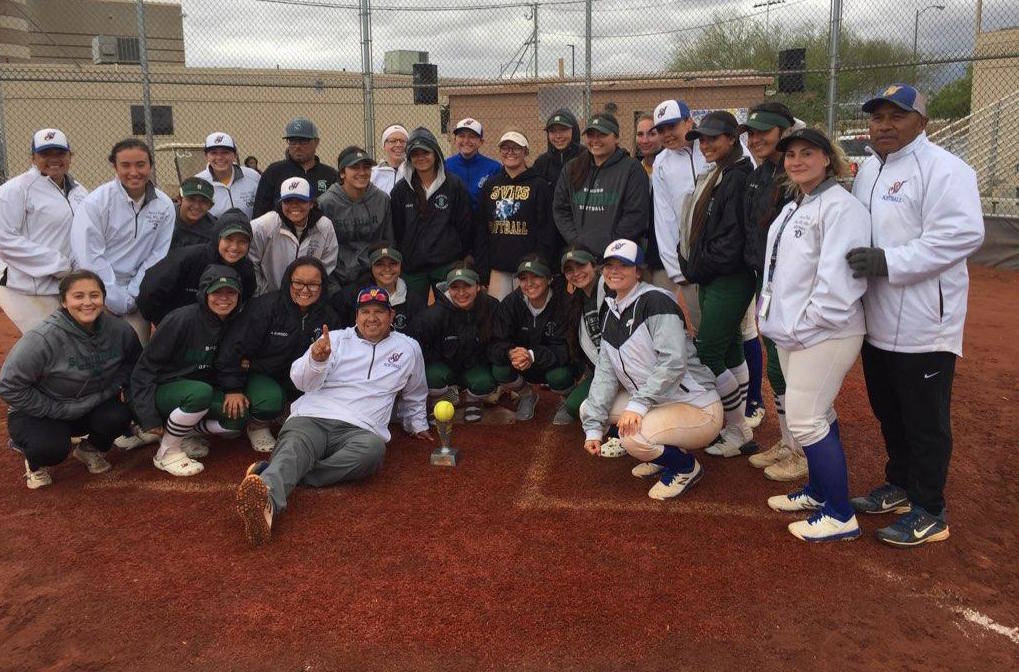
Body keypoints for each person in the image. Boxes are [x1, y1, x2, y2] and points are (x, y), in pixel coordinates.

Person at [847, 84, 984, 547]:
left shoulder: (946, 169)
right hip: (878, 319)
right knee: (889, 411)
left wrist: (890, 261)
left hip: (927, 322)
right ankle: (900, 486)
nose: (884, 125)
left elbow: (962, 234)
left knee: (926, 422)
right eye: (877, 117)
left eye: (896, 116)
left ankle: (930, 509)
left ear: (922, 122)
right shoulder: (868, 169)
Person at [234, 285, 431, 546]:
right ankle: (266, 503)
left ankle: (274, 473)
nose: (372, 318)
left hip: (362, 430)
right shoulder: (333, 339)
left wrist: (417, 424)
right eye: (365, 312)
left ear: (391, 316)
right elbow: (300, 381)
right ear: (356, 315)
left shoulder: (409, 348)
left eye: (379, 312)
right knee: (294, 447)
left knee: (372, 454)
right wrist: (316, 360)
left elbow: (416, 391)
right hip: (313, 416)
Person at [757, 128, 871, 542]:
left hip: (826, 332)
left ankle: (841, 515)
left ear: (828, 158)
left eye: (808, 153)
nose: (797, 160)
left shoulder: (842, 208)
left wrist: (806, 326)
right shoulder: (796, 205)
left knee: (805, 420)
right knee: (818, 414)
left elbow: (840, 282)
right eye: (790, 155)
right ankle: (820, 492)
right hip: (794, 331)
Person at [580, 239, 723, 500]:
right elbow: (605, 374)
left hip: (697, 406)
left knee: (632, 438)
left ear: (637, 271)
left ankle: (685, 467)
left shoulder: (656, 301)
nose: (614, 271)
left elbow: (674, 362)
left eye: (623, 265)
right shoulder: (612, 311)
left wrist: (639, 405)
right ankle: (664, 453)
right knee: (588, 408)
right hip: (660, 402)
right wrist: (594, 428)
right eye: (609, 265)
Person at [131, 265, 281, 476]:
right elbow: (145, 369)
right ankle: (166, 452)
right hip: (165, 389)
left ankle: (183, 432)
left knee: (236, 418)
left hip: (202, 390)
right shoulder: (181, 320)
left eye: (231, 292)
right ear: (204, 293)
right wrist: (148, 416)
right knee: (199, 393)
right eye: (216, 292)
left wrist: (240, 376)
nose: (224, 298)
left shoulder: (237, 321)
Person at [0, 270, 140, 489]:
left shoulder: (120, 331)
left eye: (94, 295)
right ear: (64, 301)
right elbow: (9, 386)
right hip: (43, 412)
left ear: (103, 298)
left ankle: (89, 450)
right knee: (49, 448)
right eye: (78, 296)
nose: (88, 302)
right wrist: (55, 409)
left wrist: (110, 389)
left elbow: (132, 364)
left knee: (120, 415)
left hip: (89, 404)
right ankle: (34, 461)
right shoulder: (41, 339)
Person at [679, 111, 757, 458]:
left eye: (713, 138)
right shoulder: (722, 173)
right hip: (715, 275)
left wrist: (697, 266)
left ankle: (738, 428)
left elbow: (731, 242)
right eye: (702, 138)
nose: (705, 144)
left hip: (729, 277)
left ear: (732, 138)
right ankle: (738, 427)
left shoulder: (738, 177)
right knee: (729, 348)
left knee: (708, 351)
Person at [738, 103, 809, 480]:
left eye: (764, 131)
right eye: (751, 133)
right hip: (765, 284)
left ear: (785, 131)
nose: (755, 138)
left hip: (792, 290)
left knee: (797, 371)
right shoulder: (761, 171)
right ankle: (787, 440)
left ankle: (803, 450)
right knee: (778, 368)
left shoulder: (794, 175)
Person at [217, 256, 340, 453]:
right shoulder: (265, 307)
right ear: (288, 281)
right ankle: (257, 425)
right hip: (260, 374)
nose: (305, 290)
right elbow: (234, 348)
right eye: (298, 282)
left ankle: (284, 410)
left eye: (313, 284)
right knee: (269, 399)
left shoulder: (329, 315)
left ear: (323, 285)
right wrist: (233, 387)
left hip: (297, 378)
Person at [70, 138, 175, 345]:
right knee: (96, 349)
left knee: (136, 348)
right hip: (97, 289)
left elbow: (158, 255)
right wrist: (111, 296)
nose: (134, 172)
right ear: (114, 167)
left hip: (137, 292)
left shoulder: (164, 205)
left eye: (141, 165)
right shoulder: (96, 202)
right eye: (125, 165)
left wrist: (134, 293)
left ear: (150, 166)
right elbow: (89, 255)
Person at [0, 128, 88, 334]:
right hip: (26, 291)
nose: (53, 159)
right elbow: (4, 238)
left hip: (68, 287)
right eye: (45, 154)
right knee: (41, 351)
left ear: (70, 156)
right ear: (33, 158)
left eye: (59, 153)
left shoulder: (79, 191)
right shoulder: (16, 189)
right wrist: (58, 264)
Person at [390, 127, 473, 303]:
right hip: (413, 267)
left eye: (425, 152)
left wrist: (459, 256)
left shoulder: (453, 185)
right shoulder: (401, 190)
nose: (421, 158)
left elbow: (465, 226)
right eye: (415, 154)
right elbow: (397, 229)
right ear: (409, 158)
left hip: (446, 265)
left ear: (436, 154)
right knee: (413, 315)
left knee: (449, 314)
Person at [553, 113, 649, 259]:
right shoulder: (573, 168)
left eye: (602, 134)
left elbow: (636, 215)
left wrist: (611, 246)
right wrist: (577, 242)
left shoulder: (631, 169)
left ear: (616, 137)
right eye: (591, 135)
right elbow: (560, 209)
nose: (595, 140)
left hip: (618, 257)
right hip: (581, 257)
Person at [488, 256, 573, 421]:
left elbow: (567, 350)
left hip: (553, 364)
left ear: (549, 279)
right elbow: (496, 342)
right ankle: (526, 395)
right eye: (524, 278)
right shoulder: (511, 303)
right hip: (521, 363)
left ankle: (567, 401)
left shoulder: (565, 303)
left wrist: (532, 355)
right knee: (500, 369)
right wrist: (511, 353)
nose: (529, 283)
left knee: (560, 376)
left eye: (536, 276)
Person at [413, 266, 500, 423]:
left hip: (473, 365)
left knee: (485, 381)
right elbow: (418, 348)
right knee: (431, 375)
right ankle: (438, 401)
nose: (461, 293)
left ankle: (473, 402)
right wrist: (444, 356)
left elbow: (497, 341)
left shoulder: (491, 307)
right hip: (444, 366)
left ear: (478, 287)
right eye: (455, 287)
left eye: (467, 286)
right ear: (448, 288)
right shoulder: (433, 315)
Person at [475, 130, 556, 300]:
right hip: (498, 268)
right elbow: (481, 228)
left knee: (527, 314)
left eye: (516, 148)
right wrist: (483, 269)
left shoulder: (539, 185)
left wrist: (541, 265)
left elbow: (546, 230)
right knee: (498, 313)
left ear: (526, 151)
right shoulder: (491, 185)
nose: (510, 152)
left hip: (529, 269)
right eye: (505, 148)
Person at [138, 209, 256, 325]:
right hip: (177, 328)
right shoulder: (187, 259)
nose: (234, 247)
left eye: (242, 241)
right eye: (228, 239)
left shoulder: (246, 270)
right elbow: (149, 291)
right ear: (217, 238)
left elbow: (244, 302)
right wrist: (164, 322)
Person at [651, 99, 708, 328]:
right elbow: (664, 219)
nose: (667, 134)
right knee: (701, 327)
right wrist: (676, 269)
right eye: (661, 130)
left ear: (689, 122)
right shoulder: (661, 162)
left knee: (743, 330)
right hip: (691, 258)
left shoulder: (712, 145)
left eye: (672, 126)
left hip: (726, 253)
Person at [317, 146, 393, 290]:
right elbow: (321, 250)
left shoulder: (381, 200)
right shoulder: (326, 203)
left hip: (373, 274)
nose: (362, 172)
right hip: (337, 278)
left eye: (366, 167)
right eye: (355, 167)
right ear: (342, 173)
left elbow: (389, 241)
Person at [249, 177, 338, 295]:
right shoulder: (264, 225)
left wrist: (310, 291)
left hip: (309, 295)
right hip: (271, 295)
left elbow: (327, 265)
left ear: (311, 203)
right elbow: (251, 261)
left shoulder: (324, 226)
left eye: (301, 200)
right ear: (281, 203)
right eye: (288, 201)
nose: (294, 205)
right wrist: (262, 293)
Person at [558, 245, 608, 427]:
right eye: (569, 270)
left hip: (628, 367)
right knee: (574, 407)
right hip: (601, 371)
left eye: (581, 266)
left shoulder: (612, 289)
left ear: (594, 265)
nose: (576, 273)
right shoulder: (574, 300)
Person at [252, 117, 338, 218]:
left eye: (303, 141)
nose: (297, 146)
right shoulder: (274, 172)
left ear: (316, 142)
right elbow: (260, 212)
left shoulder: (329, 174)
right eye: (292, 141)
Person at [330, 244, 423, 334]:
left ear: (400, 265)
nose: (387, 269)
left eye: (393, 263)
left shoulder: (413, 300)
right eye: (380, 264)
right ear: (371, 267)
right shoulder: (351, 296)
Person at [195, 132, 261, 218]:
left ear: (234, 155)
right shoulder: (198, 182)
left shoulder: (253, 176)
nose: (219, 157)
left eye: (225, 152)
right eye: (214, 153)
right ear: (206, 156)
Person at [445, 118, 502, 214]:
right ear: (455, 140)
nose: (466, 140)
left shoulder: (494, 168)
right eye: (461, 136)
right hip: (454, 223)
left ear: (481, 142)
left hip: (481, 223)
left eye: (472, 136)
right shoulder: (445, 165)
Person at [533, 108, 582, 191]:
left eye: (563, 129)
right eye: (553, 131)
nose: (558, 136)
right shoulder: (542, 162)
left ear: (574, 131)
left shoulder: (586, 157)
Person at [169, 177, 218, 250]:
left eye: (203, 201)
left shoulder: (214, 228)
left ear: (210, 206)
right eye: (191, 199)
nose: (196, 206)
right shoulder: (164, 218)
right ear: (179, 199)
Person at [370, 124, 408, 195]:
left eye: (402, 141)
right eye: (393, 141)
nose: (398, 145)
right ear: (384, 146)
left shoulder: (413, 171)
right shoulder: (373, 174)